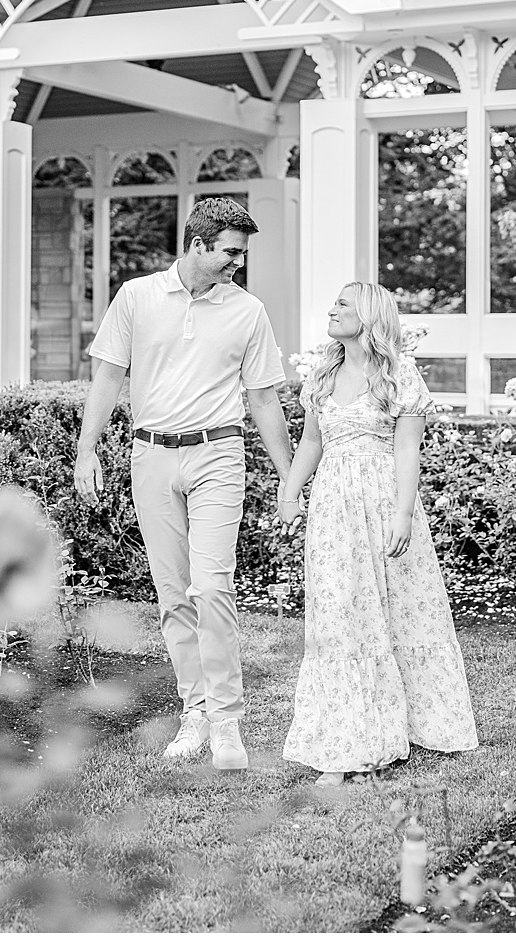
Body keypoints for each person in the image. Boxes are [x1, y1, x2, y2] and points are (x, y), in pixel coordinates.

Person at [74, 197, 294, 770]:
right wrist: (86, 449)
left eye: (241, 255)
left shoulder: (248, 311)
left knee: (212, 586)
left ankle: (226, 719)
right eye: (230, 253)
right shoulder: (136, 297)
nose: (237, 264)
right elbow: (108, 378)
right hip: (151, 457)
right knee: (174, 595)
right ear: (198, 245)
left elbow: (264, 398)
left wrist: (290, 476)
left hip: (219, 453)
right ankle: (194, 709)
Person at [277, 283, 478, 785]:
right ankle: (348, 741)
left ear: (367, 314)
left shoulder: (399, 373)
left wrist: (404, 514)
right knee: (340, 611)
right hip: (333, 508)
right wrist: (289, 491)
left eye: (341, 303)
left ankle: (418, 722)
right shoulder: (321, 375)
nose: (331, 308)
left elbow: (408, 450)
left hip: (385, 499)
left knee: (403, 607)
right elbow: (311, 441)